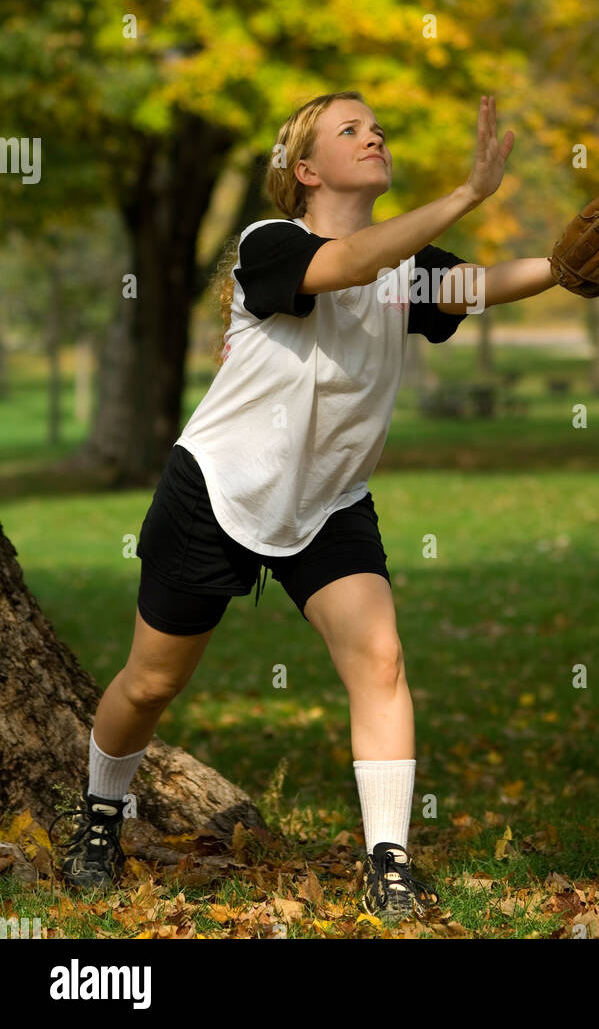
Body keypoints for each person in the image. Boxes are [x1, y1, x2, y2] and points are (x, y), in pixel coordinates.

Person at [52, 91, 552, 922]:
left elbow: (484, 284)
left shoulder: (410, 267)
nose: (374, 134)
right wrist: (465, 193)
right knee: (148, 685)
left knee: (380, 661)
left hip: (328, 503)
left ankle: (387, 861)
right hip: (217, 491)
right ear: (307, 170)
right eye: (349, 130)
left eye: (376, 125)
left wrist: (578, 269)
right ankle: (102, 813)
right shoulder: (271, 245)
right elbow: (347, 267)